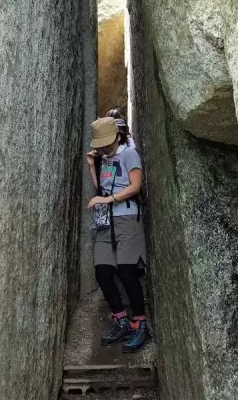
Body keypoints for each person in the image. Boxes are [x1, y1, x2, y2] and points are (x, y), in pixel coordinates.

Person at [86, 117, 151, 352]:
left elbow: (136, 186)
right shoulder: (103, 158)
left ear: (116, 136)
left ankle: (141, 325)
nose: (102, 146)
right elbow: (100, 190)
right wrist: (93, 167)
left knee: (126, 271)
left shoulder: (128, 154)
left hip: (126, 217)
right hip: (106, 221)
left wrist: (108, 199)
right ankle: (121, 320)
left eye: (105, 141)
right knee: (102, 272)